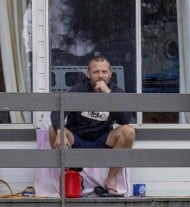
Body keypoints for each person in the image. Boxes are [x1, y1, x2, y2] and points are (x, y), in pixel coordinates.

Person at [49, 54, 136, 196]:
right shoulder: (79, 90)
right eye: (96, 72)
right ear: (88, 74)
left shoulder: (115, 92)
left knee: (128, 131)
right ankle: (70, 175)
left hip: (103, 138)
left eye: (104, 72)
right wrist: (60, 130)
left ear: (110, 74)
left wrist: (109, 95)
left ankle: (111, 179)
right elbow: (57, 111)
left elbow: (125, 119)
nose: (100, 76)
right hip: (77, 138)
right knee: (53, 130)